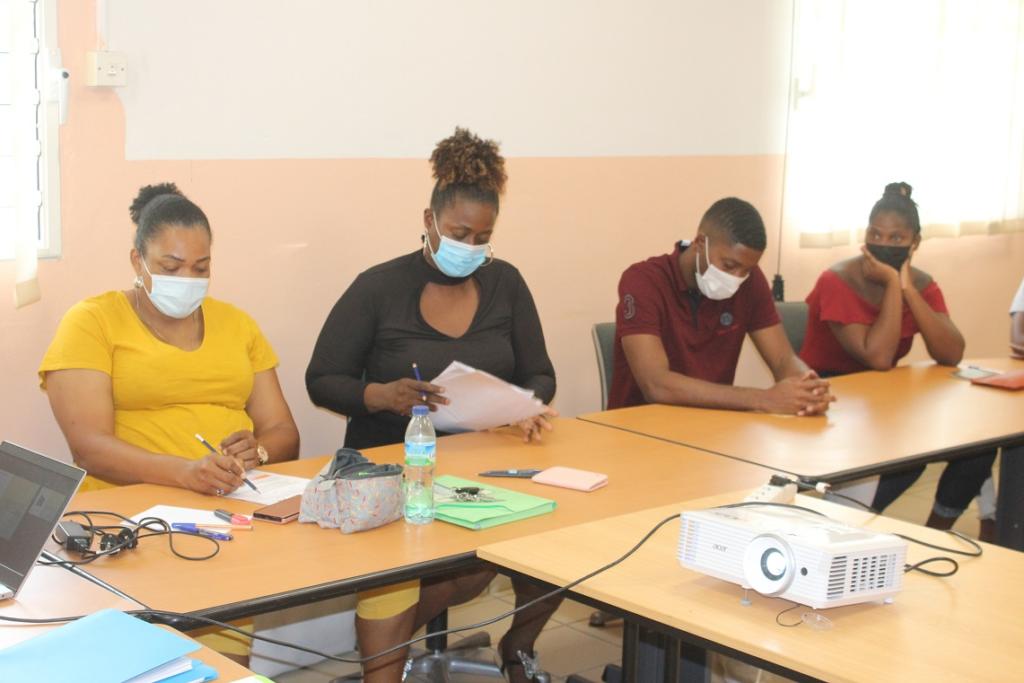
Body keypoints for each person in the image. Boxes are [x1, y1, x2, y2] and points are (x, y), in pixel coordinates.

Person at [306, 128, 559, 682]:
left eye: (483, 237)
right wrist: (381, 395)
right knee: (447, 563)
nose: (470, 246)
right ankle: (383, 653)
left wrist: (523, 404)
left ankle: (516, 646)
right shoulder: (378, 288)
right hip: (395, 464)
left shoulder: (506, 283)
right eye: (459, 233)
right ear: (429, 221)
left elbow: (542, 373)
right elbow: (321, 380)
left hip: (482, 462)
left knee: (552, 533)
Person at [39, 183, 300, 661]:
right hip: (129, 521)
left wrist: (257, 451)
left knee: (224, 659)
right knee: (149, 659)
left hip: (227, 515)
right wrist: (185, 473)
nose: (188, 279)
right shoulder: (92, 321)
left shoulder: (238, 325)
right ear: (137, 261)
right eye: (171, 266)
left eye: (201, 268)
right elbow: (88, 447)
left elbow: (284, 431)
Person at [799, 182, 994, 537]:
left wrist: (907, 288)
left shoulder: (921, 283)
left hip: (883, 401)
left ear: (915, 243)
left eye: (896, 238)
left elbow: (951, 353)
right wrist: (892, 284)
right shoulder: (836, 280)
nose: (883, 244)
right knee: (910, 460)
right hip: (833, 396)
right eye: (875, 234)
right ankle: (846, 521)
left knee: (977, 450)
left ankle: (936, 533)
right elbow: (878, 356)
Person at [609, 197, 834, 415]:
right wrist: (763, 399)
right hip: (640, 425)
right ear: (700, 244)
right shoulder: (643, 281)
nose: (737, 278)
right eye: (729, 265)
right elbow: (656, 384)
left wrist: (808, 389)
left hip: (715, 423)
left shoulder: (750, 281)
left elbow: (783, 359)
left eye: (747, 270)